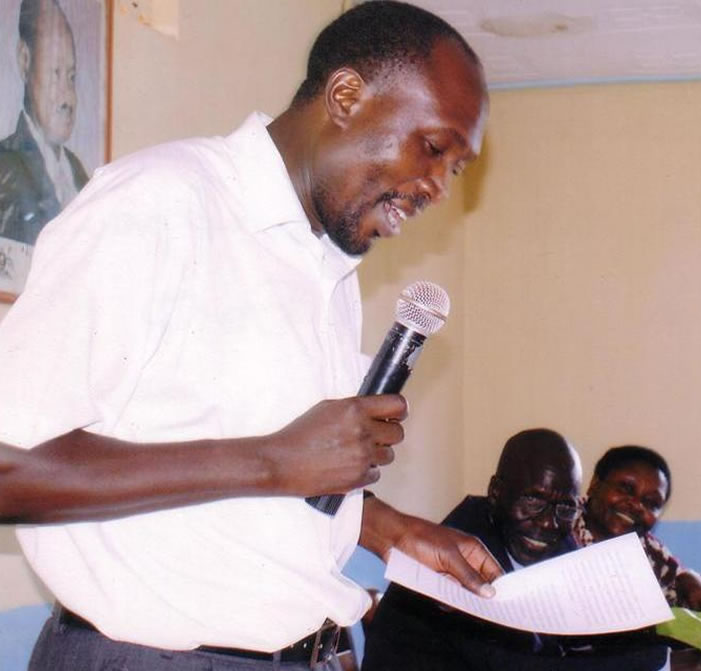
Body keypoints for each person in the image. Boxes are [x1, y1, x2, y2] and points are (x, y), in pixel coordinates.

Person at [0, 3, 503, 669]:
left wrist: (390, 531)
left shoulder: (328, 265)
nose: (438, 187)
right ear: (346, 97)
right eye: (434, 148)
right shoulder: (160, 202)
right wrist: (270, 459)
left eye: (456, 168)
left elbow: (263, 479)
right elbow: (9, 464)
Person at [361, 428, 672, 671]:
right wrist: (659, 658)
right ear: (496, 493)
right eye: (533, 500)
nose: (548, 523)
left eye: (565, 507)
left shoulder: (557, 539)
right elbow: (517, 665)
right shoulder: (458, 552)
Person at [575, 445, 701, 624]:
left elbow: (686, 602)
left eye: (651, 503)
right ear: (595, 485)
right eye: (625, 489)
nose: (636, 505)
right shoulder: (562, 525)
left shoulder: (651, 554)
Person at [0, 0, 89, 246]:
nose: (68, 98)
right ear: (24, 60)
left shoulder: (79, 172)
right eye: (55, 73)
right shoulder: (4, 169)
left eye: (71, 77)